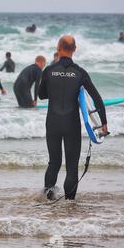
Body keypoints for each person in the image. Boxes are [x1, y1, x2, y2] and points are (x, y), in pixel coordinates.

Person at [39, 35, 108, 201]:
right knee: (71, 167)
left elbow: (41, 95)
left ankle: (47, 199)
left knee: (54, 162)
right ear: (75, 49)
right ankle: (70, 204)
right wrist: (103, 123)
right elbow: (97, 99)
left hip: (53, 123)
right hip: (72, 124)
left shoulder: (48, 71)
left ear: (58, 47)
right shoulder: (80, 73)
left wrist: (55, 90)